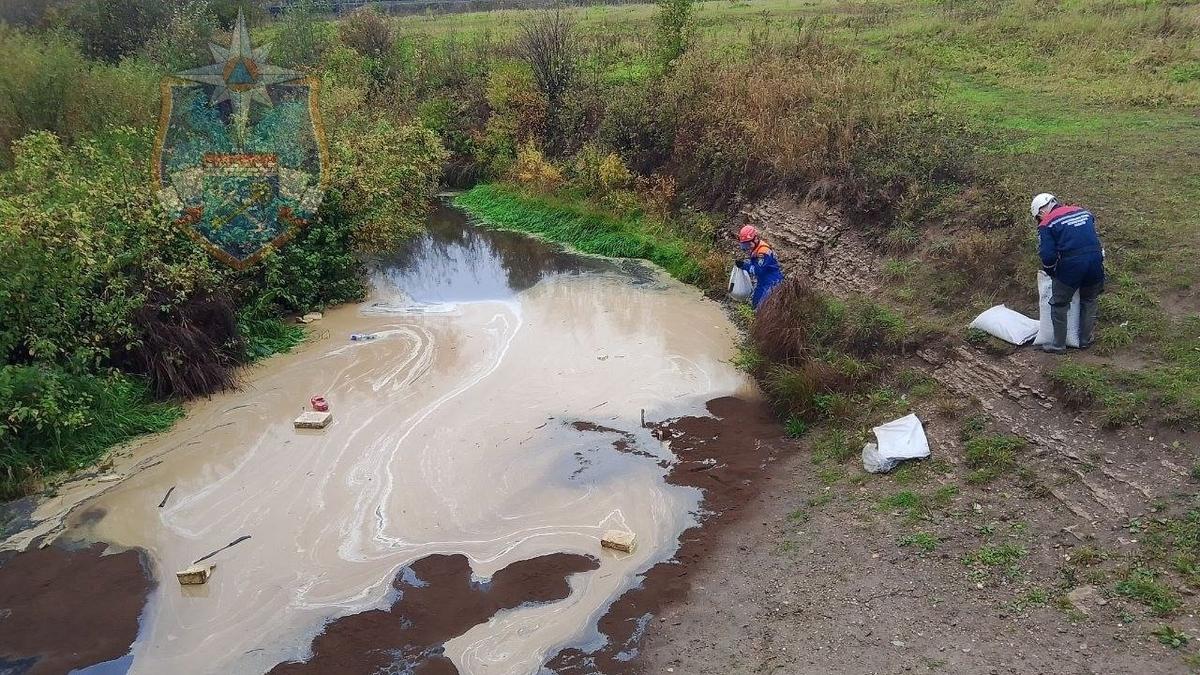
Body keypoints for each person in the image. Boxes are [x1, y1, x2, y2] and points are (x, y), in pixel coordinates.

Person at [1031, 192, 1105, 354]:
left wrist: (1050, 271)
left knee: (1058, 303)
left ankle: (1058, 345)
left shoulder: (1047, 223)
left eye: (1038, 217)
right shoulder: (1083, 212)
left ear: (1041, 211)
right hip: (1095, 260)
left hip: (1072, 265)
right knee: (1089, 299)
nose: (1039, 221)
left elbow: (1048, 254)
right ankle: (1085, 340)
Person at [736, 225, 783, 310]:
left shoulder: (763, 251)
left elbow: (758, 270)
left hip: (772, 283)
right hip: (762, 282)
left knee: (762, 308)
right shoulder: (755, 247)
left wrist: (744, 266)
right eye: (745, 245)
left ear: (755, 238)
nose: (747, 247)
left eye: (748, 244)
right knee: (755, 303)